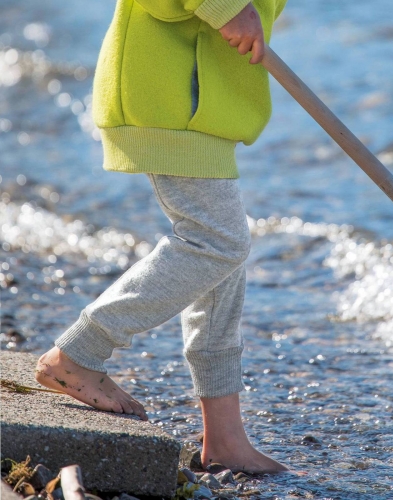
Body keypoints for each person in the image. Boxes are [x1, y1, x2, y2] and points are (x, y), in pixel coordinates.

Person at [35, 0, 288, 473]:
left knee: (221, 258)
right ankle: (77, 352)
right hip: (172, 93)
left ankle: (226, 437)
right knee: (217, 243)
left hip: (200, 96)